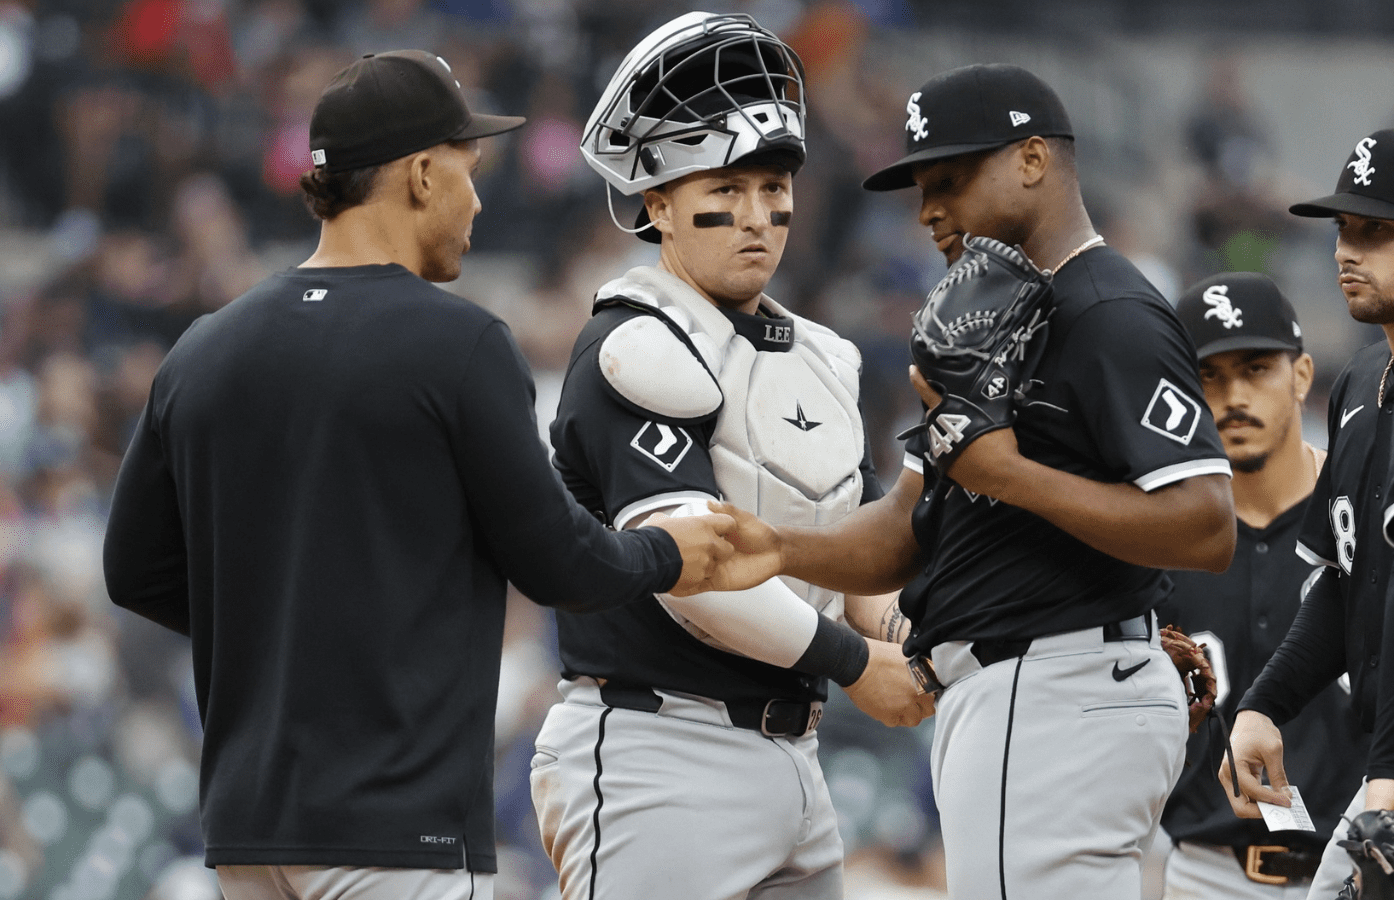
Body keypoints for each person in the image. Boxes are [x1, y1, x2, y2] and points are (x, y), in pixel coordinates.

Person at [101, 49, 756, 900]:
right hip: (395, 834)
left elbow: (133, 570)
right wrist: (668, 553)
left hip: (247, 833)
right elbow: (560, 564)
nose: (477, 198)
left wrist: (282, 630)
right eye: (466, 169)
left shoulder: (203, 348)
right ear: (417, 174)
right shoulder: (459, 345)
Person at [713, 63, 1238, 900]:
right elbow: (905, 530)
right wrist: (778, 549)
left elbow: (1206, 526)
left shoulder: (1106, 311)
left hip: (1055, 685)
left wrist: (1012, 475)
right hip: (1024, 691)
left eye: (952, 181)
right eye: (921, 187)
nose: (928, 212)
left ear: (1033, 159)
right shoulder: (992, 322)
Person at [527, 13, 931, 900]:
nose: (757, 214)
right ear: (657, 205)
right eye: (726, 185)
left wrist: (910, 636)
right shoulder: (634, 346)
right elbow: (698, 576)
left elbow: (852, 544)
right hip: (659, 754)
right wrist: (862, 665)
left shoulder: (820, 355)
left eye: (771, 184)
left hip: (794, 752)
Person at [1157, 272, 1367, 899]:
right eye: (1209, 377)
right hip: (1205, 872)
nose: (1233, 396)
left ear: (1302, 376)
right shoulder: (1154, 537)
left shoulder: (1366, 515)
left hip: (1360, 865)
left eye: (1255, 369)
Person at [1225, 128, 1394, 899]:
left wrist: (1388, 782)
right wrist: (1266, 704)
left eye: (1377, 231)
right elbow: (1345, 581)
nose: (1345, 251)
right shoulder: (1361, 385)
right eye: (1343, 229)